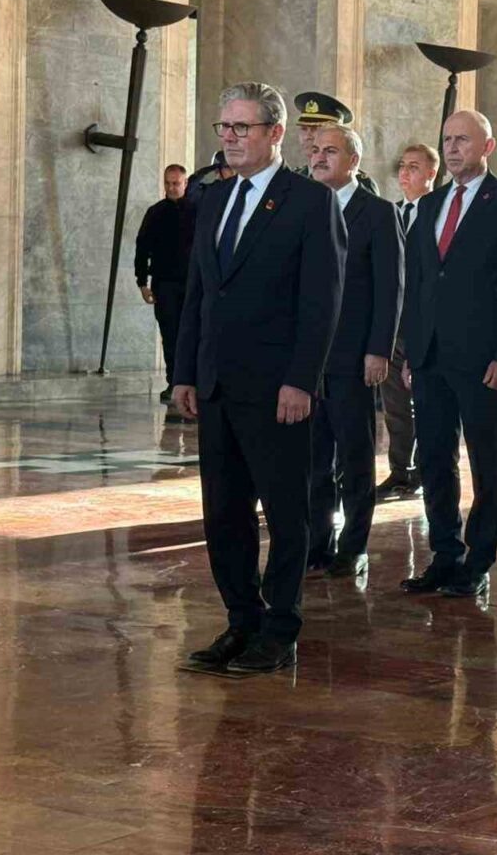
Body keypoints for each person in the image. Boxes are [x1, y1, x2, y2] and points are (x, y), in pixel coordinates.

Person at [173, 81, 346, 674]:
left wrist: (302, 379)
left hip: (278, 390)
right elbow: (200, 293)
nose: (229, 137)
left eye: (241, 127)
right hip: (217, 386)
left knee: (286, 512)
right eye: (224, 127)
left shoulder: (310, 201)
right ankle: (241, 621)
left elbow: (321, 301)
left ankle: (280, 629)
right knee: (224, 514)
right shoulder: (214, 199)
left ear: (275, 133)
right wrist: (185, 372)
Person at [399, 110, 497, 598]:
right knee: (435, 458)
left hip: (482, 358)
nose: (453, 148)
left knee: (484, 459)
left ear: (487, 146)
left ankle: (478, 560)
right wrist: (411, 350)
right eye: (448, 140)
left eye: (463, 140)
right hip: (430, 356)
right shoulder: (431, 204)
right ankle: (444, 554)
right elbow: (417, 283)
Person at [306, 123, 404, 578]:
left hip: (353, 356)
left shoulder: (378, 213)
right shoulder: (303, 207)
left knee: (355, 456)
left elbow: (390, 288)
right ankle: (317, 543)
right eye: (315, 150)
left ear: (353, 161)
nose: (319, 157)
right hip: (308, 360)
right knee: (312, 460)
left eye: (331, 150)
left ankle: (354, 545)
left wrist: (379, 349)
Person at [376, 143, 438, 501]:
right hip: (392, 327)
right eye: (402, 166)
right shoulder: (392, 213)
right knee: (395, 406)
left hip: (425, 327)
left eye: (414, 166)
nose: (405, 172)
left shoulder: (439, 213)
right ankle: (401, 471)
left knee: (427, 405)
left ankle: (429, 470)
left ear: (431, 173)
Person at [134, 163, 192, 403]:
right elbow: (142, 248)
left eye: (176, 183)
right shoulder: (155, 213)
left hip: (193, 285)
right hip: (164, 284)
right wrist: (142, 282)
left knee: (193, 336)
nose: (171, 188)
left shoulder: (198, 211)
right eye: (167, 183)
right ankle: (174, 383)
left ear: (185, 183)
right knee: (170, 335)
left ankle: (193, 384)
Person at [291, 91, 379, 195]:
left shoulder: (360, 183)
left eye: (315, 128)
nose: (307, 136)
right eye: (304, 129)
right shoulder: (295, 177)